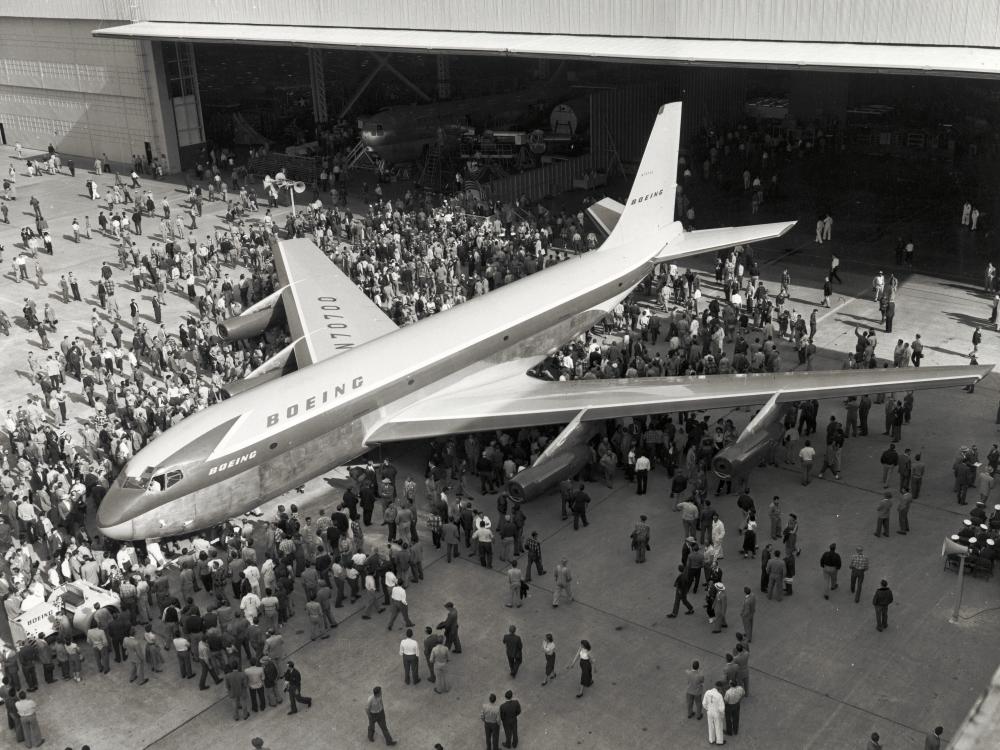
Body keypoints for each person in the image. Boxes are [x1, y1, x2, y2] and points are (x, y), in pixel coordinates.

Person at [702, 680, 727, 745]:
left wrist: (708, 709)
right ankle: (719, 741)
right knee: (718, 727)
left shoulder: (707, 692)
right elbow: (722, 708)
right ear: (720, 688)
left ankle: (711, 740)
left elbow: (704, 703)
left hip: (709, 712)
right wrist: (722, 715)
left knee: (710, 726)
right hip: (717, 713)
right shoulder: (719, 696)